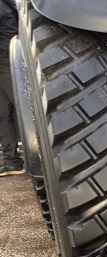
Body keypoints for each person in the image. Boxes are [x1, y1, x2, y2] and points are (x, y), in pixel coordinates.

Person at [0, 0, 24, 176]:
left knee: (24, 109)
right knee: (2, 113)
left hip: (7, 62)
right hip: (6, 61)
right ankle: (12, 162)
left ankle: (47, 158)